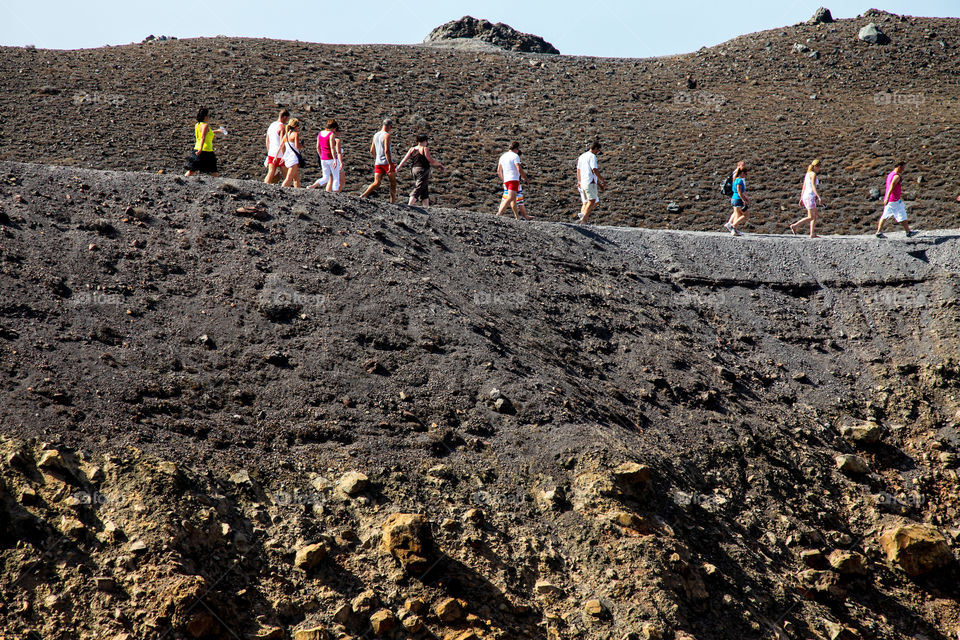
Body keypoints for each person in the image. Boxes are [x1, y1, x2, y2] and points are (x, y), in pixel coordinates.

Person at [396, 134, 446, 206]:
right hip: (423, 170)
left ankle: (426, 207)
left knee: (424, 188)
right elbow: (431, 160)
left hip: (414, 169)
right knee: (419, 187)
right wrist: (440, 165)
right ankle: (409, 205)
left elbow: (404, 159)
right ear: (425, 141)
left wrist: (398, 168)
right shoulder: (424, 149)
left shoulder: (412, 149)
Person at [360, 119, 397, 202]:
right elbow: (387, 150)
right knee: (393, 182)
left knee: (376, 183)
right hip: (386, 162)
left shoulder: (376, 135)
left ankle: (363, 195)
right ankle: (393, 202)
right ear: (389, 126)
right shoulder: (386, 135)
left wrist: (376, 158)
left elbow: (371, 150)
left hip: (378, 162)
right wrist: (390, 164)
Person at [876, 161, 915, 238]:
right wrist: (887, 197)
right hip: (894, 200)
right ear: (899, 166)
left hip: (890, 200)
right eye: (902, 168)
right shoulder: (896, 176)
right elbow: (892, 186)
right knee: (902, 214)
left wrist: (887, 198)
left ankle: (878, 232)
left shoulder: (890, 174)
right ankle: (908, 232)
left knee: (885, 216)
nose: (903, 170)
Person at [184, 107, 226, 177]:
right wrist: (201, 149)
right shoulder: (205, 125)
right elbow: (203, 137)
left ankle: (182, 181)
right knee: (213, 170)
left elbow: (205, 133)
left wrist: (217, 131)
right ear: (205, 116)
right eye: (208, 115)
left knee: (192, 170)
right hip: (206, 150)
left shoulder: (197, 125)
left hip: (197, 149)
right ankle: (216, 186)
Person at [790, 159, 823, 238]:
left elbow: (804, 187)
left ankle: (812, 233)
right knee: (811, 216)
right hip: (810, 196)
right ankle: (794, 226)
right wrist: (818, 196)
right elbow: (813, 186)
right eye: (819, 167)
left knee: (815, 215)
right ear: (816, 166)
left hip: (807, 196)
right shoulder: (813, 174)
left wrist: (801, 198)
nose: (819, 169)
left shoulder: (808, 174)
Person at [307, 119, 342, 191]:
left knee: (325, 178)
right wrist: (335, 159)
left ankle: (313, 186)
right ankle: (335, 192)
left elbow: (317, 147)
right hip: (331, 158)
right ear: (334, 128)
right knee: (336, 177)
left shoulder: (320, 133)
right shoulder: (331, 134)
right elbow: (332, 148)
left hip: (323, 158)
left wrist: (321, 156)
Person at [576, 142, 606, 224]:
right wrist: (602, 180)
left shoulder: (582, 156)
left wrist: (579, 181)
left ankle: (583, 218)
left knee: (586, 202)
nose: (598, 152)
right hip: (589, 182)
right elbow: (594, 170)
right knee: (592, 201)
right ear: (595, 148)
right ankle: (583, 220)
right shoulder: (592, 156)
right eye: (598, 150)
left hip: (583, 182)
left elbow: (578, 170)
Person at [496, 141, 528, 218]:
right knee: (510, 197)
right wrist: (525, 177)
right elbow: (518, 168)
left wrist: (503, 180)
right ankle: (498, 214)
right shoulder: (515, 156)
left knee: (513, 198)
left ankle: (517, 217)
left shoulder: (503, 156)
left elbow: (498, 171)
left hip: (506, 180)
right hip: (513, 179)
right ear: (516, 149)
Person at [264, 110, 290, 184]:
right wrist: (285, 155)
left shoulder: (272, 125)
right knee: (286, 174)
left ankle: (264, 185)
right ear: (284, 117)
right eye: (287, 119)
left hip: (271, 152)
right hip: (280, 154)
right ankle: (288, 189)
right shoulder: (282, 127)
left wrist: (269, 151)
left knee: (271, 172)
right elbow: (282, 142)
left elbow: (267, 140)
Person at [725, 162, 750, 236]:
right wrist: (744, 199)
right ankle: (733, 226)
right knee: (746, 215)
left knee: (737, 214)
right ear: (742, 173)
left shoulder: (735, 179)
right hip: (738, 199)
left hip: (734, 199)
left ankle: (734, 229)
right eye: (745, 174)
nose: (746, 175)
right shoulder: (739, 181)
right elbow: (739, 192)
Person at [280, 118, 302, 188]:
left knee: (296, 179)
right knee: (288, 179)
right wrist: (302, 145)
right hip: (294, 158)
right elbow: (297, 146)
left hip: (288, 158)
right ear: (296, 126)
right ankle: (281, 191)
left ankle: (298, 194)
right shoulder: (295, 134)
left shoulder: (285, 135)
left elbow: (285, 148)